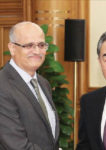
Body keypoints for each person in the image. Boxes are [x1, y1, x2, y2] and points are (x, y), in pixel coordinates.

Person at [0, 21, 60, 150]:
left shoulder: (43, 83)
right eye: (29, 45)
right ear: (12, 48)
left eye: (41, 45)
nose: (37, 51)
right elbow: (16, 145)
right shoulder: (2, 86)